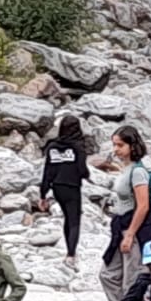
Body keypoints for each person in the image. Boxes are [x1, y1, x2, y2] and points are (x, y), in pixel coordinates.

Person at [101, 126, 151, 301]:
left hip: (134, 232)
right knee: (108, 274)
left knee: (132, 280)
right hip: (120, 227)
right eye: (114, 144)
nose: (116, 149)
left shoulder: (138, 172)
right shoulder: (126, 169)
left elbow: (143, 206)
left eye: (120, 145)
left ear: (132, 146)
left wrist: (130, 235)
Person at [38, 114, 89, 267]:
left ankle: (69, 252)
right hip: (72, 187)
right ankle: (71, 254)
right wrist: (86, 175)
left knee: (67, 217)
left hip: (57, 188)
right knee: (74, 221)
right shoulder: (78, 147)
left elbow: (47, 172)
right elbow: (82, 170)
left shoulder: (52, 147)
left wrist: (43, 195)